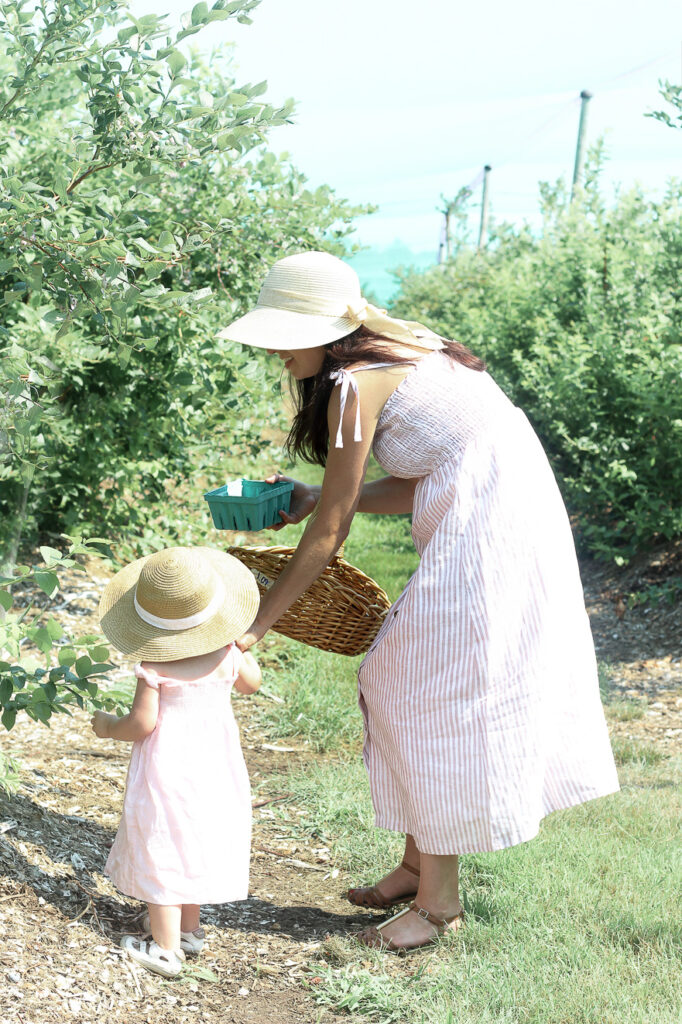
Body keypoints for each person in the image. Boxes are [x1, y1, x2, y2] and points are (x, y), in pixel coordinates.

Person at [219, 250, 620, 954]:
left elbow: (332, 530)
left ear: (329, 329)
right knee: (409, 679)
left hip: (494, 522)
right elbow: (431, 471)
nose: (278, 352)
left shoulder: (355, 384)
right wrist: (314, 496)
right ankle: (416, 865)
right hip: (496, 502)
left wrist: (255, 625)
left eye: (287, 335)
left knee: (425, 689)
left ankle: (439, 909)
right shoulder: (406, 344)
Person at [91, 546, 261, 977]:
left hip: (168, 768)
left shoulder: (156, 663)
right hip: (216, 767)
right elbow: (251, 685)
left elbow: (143, 724)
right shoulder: (227, 653)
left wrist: (110, 726)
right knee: (194, 838)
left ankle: (166, 949)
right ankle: (188, 929)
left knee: (162, 844)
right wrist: (238, 644)